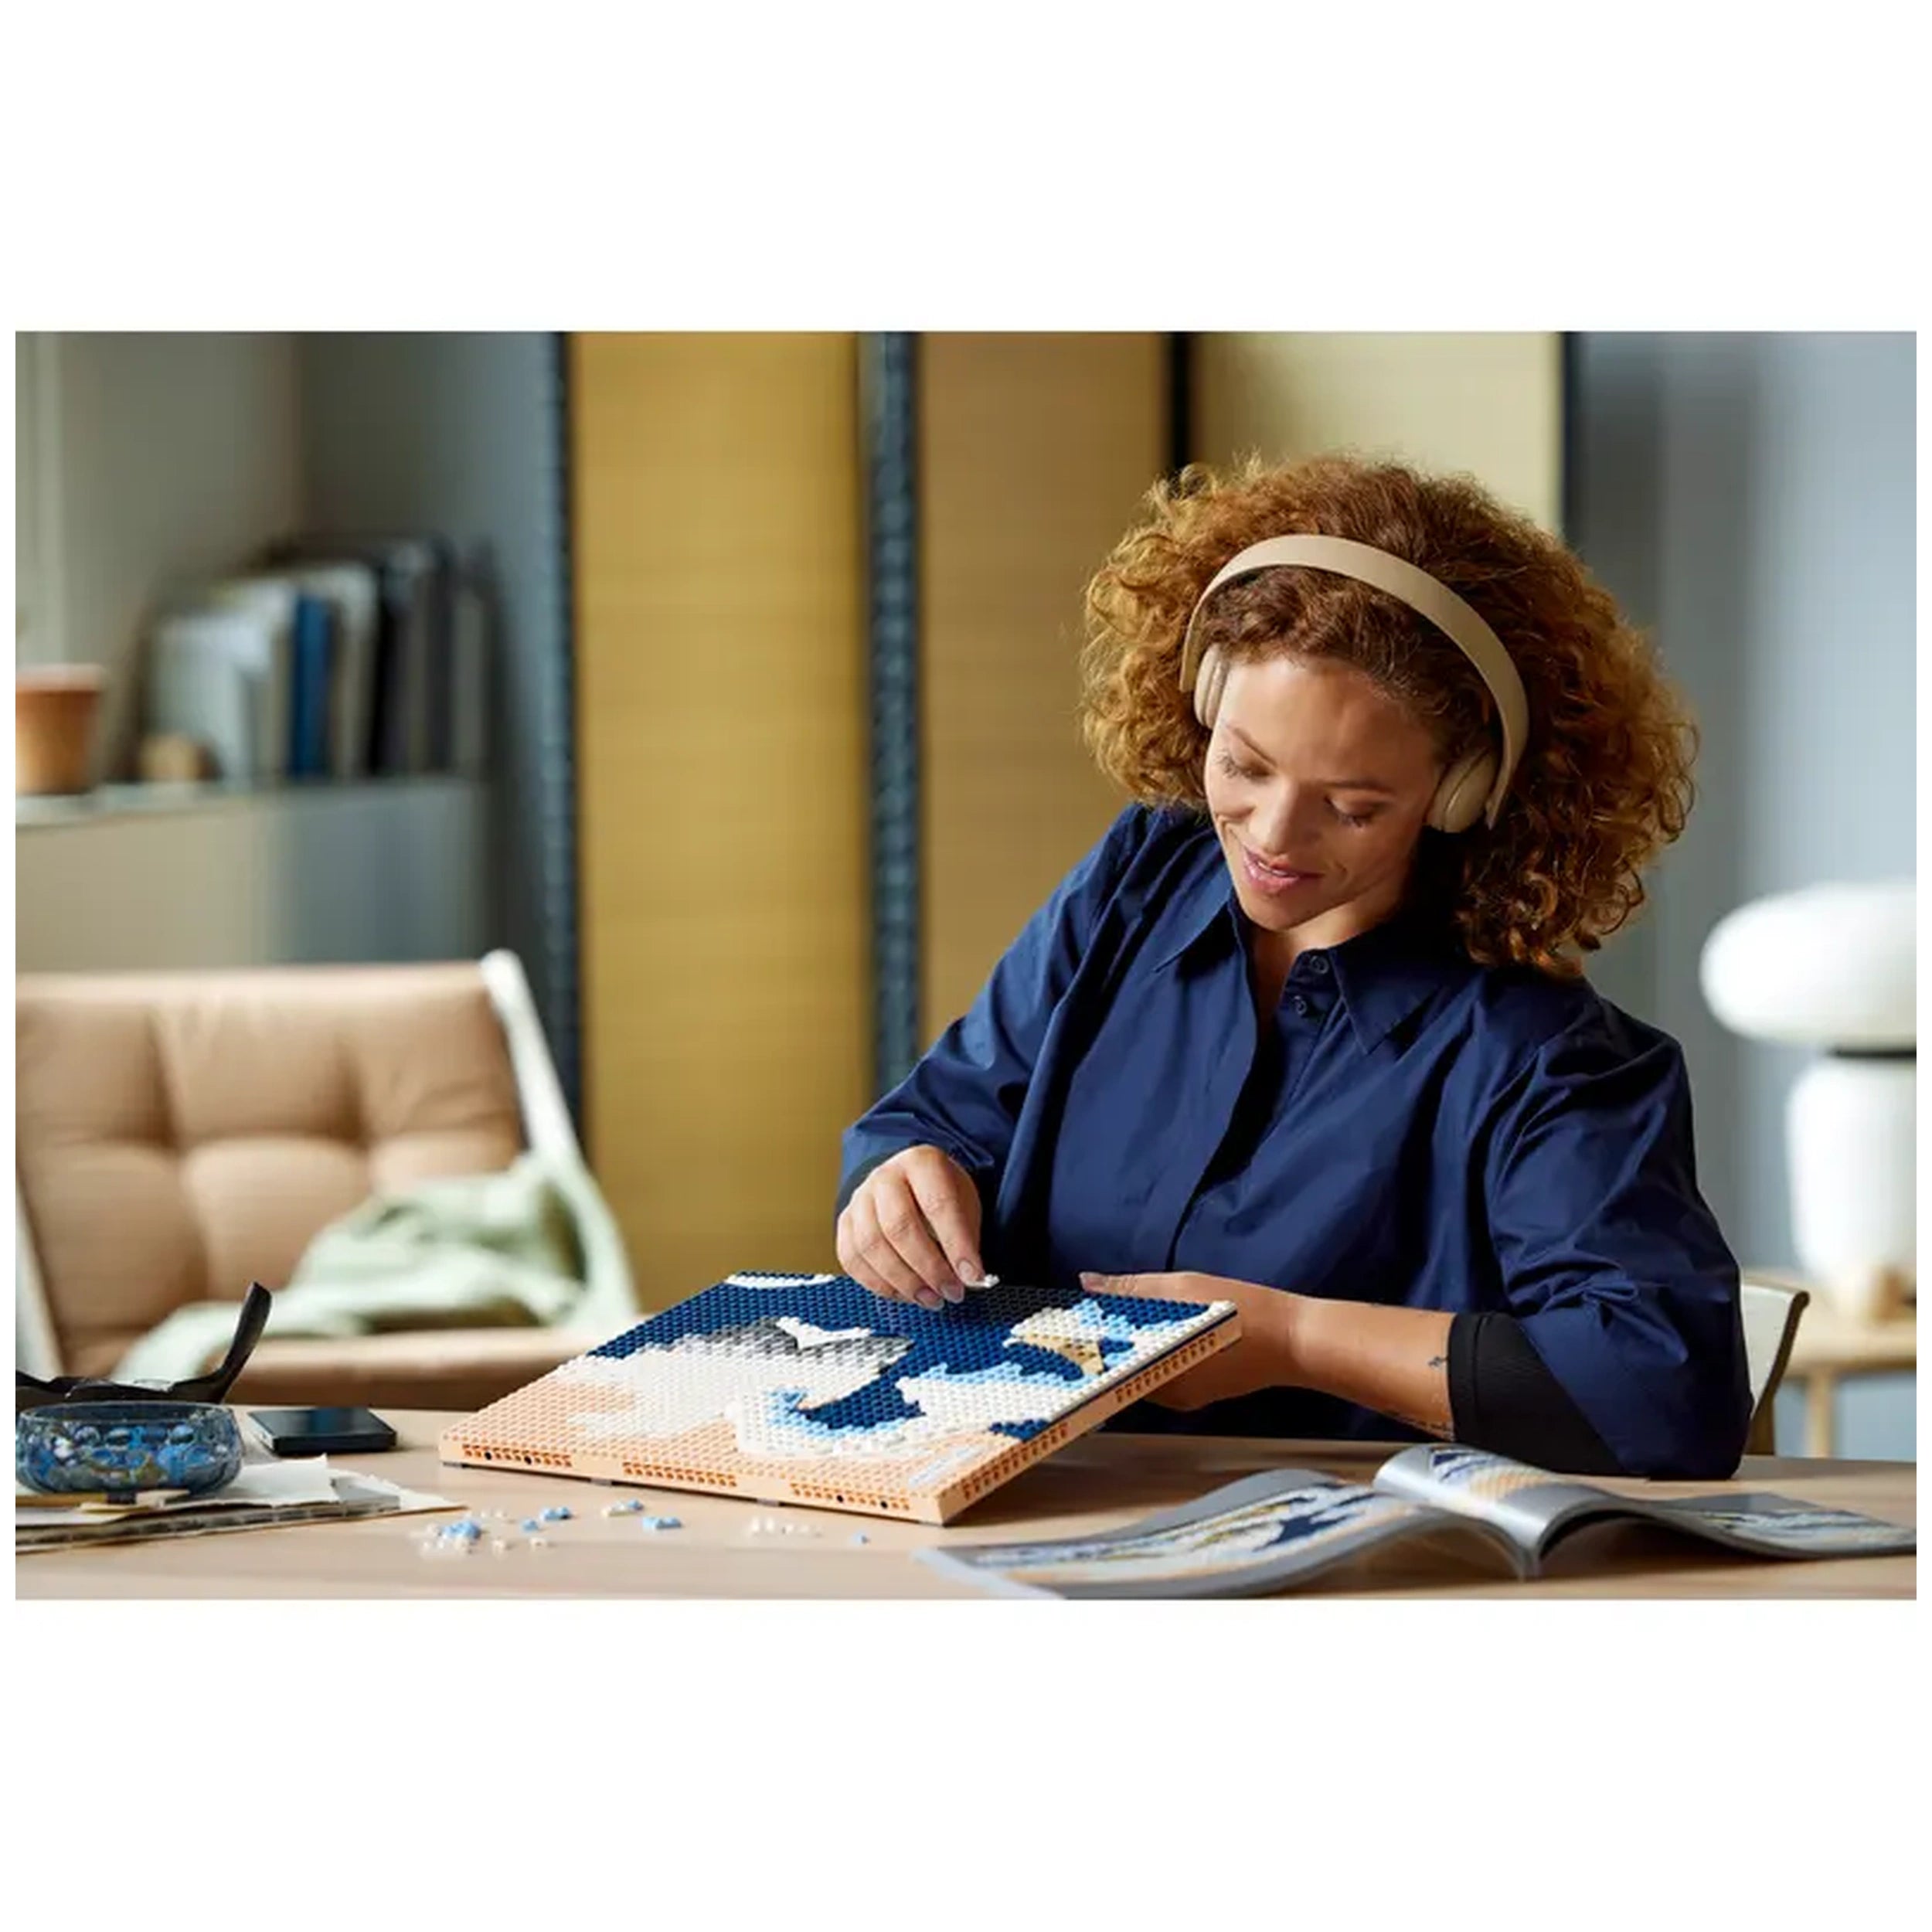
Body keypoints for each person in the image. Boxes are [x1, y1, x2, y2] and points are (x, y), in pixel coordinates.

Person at [833, 454, 1752, 1480]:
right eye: (1244, 765)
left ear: (1464, 795)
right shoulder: (1143, 877)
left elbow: (1666, 1390)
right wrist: (897, 1180)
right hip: (1015, 1510)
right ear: (1203, 703)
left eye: (1352, 806)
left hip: (1348, 1555)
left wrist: (1293, 1339)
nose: (1271, 836)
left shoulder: (1545, 1059)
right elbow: (944, 1117)